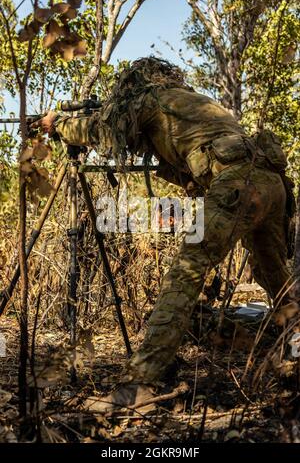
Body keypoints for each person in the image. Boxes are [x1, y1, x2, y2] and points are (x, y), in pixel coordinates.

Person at [36, 57, 298, 413]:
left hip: (238, 183)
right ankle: (294, 353)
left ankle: (137, 385)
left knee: (185, 274)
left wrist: (59, 123)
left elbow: (102, 128)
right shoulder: (194, 104)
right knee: (277, 281)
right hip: (271, 185)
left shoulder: (149, 98)